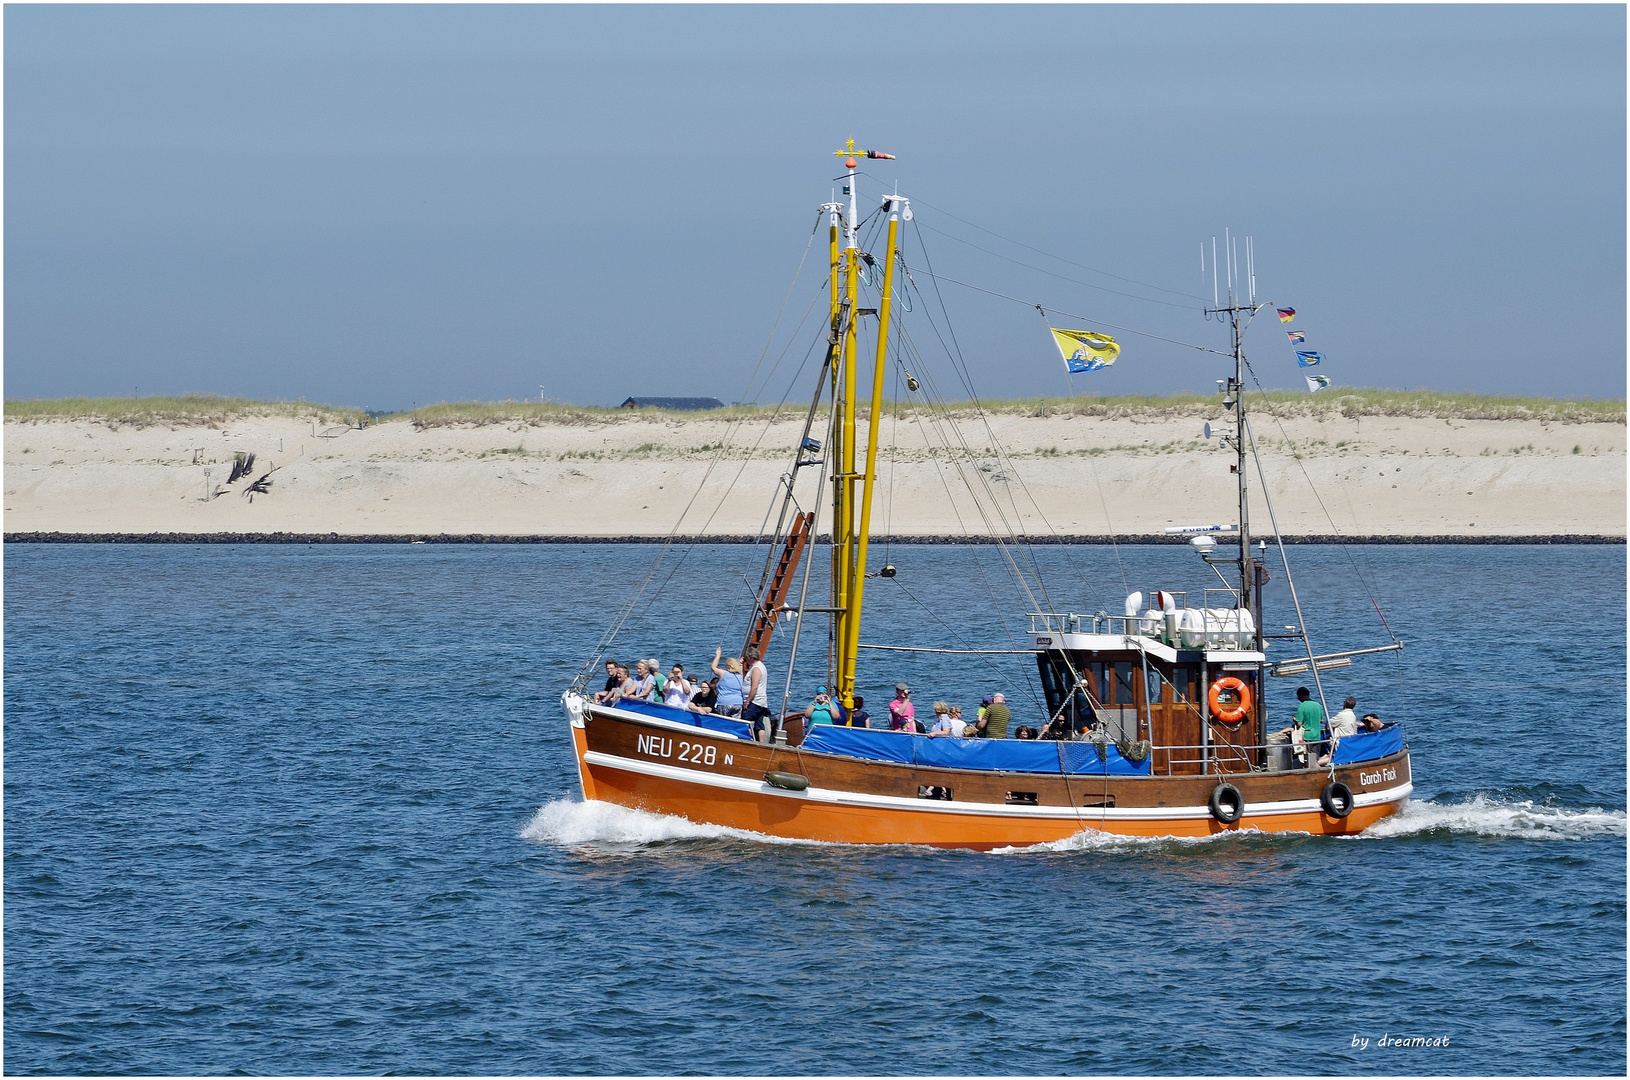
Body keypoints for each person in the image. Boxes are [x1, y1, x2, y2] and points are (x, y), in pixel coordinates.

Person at [741, 646, 773, 742]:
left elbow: (754, 687)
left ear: (750, 657)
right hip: (761, 702)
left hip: (756, 701)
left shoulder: (756, 669)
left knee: (745, 720)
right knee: (759, 724)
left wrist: (747, 701)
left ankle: (748, 740)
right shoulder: (759, 667)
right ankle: (761, 743)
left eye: (747, 658)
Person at [1320, 696, 1359, 766]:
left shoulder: (1342, 715)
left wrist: (1327, 727)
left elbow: (1330, 722)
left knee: (1321, 760)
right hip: (1348, 743)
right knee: (1326, 756)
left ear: (1344, 704)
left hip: (1339, 744)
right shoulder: (1353, 715)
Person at [1293, 686, 1325, 768]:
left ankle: (1321, 773)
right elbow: (1321, 720)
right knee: (1315, 758)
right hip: (1317, 735)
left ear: (1301, 696)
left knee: (1308, 760)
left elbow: (1299, 724)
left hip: (1307, 736)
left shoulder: (1302, 706)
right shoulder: (1318, 705)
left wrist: (1295, 720)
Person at [711, 648, 745, 717]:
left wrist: (718, 655)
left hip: (725, 702)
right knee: (735, 723)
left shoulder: (723, 673)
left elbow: (713, 668)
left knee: (723, 722)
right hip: (738, 702)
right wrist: (740, 664)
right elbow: (740, 670)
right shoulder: (740, 676)